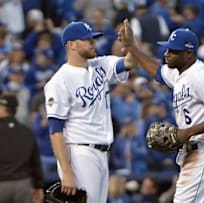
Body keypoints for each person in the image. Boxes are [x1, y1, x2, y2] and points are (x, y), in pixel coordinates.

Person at [119, 19, 204, 202]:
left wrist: (186, 133)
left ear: (189, 53)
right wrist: (132, 47)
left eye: (173, 51)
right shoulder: (180, 74)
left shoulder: (201, 77)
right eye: (167, 48)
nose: (167, 54)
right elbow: (158, 72)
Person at [43, 21, 136, 203]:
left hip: (102, 152)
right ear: (72, 45)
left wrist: (131, 44)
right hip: (79, 153)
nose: (93, 43)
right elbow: (55, 131)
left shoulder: (100, 65)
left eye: (92, 39)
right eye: (87, 40)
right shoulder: (59, 81)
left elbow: (131, 63)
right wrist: (67, 172)